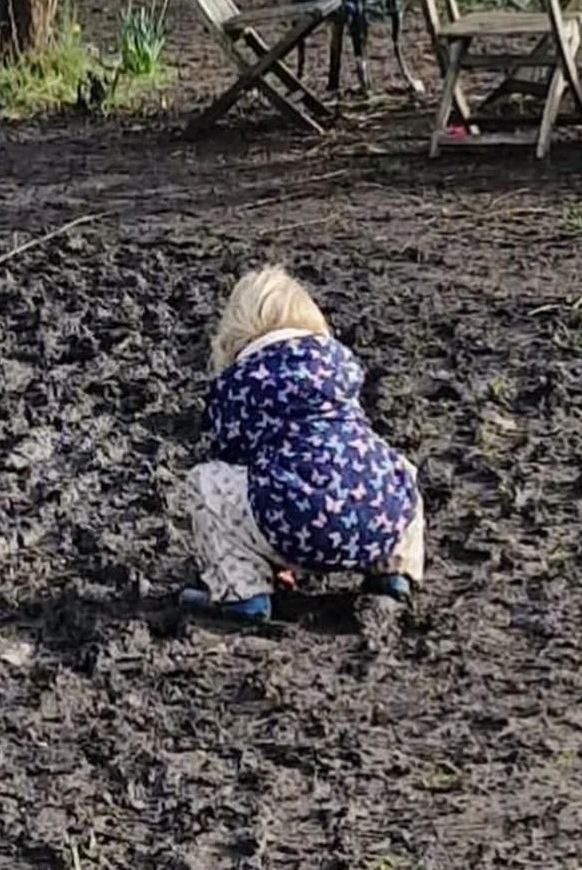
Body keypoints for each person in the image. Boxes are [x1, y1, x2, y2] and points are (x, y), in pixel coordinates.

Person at [181, 265, 425, 621]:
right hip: (376, 523)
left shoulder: (240, 384)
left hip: (295, 524)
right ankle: (394, 571)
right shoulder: (340, 367)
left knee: (207, 482)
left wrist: (272, 537)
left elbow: (232, 460)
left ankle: (241, 592)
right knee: (397, 471)